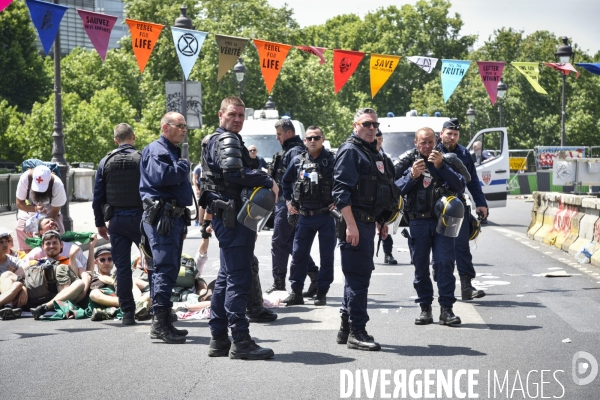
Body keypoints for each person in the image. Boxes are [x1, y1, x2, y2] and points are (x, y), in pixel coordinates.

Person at [198, 96, 276, 360]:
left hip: (226, 216)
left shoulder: (212, 140)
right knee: (239, 280)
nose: (237, 120)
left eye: (241, 116)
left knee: (225, 278)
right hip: (235, 219)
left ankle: (219, 339)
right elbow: (233, 174)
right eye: (232, 115)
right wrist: (266, 179)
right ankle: (240, 340)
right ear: (221, 114)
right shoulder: (227, 139)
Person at [332, 108, 398, 351]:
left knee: (356, 277)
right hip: (355, 222)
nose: (372, 128)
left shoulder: (370, 152)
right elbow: (341, 194)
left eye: (375, 125)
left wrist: (380, 222)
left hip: (368, 222)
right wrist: (351, 225)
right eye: (367, 124)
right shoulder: (351, 151)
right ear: (355, 125)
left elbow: (377, 191)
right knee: (358, 279)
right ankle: (357, 331)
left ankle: (346, 328)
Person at [396, 127, 466, 326]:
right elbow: (394, 189)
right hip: (418, 221)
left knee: (445, 263)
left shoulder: (446, 159)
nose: (427, 147)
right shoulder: (410, 161)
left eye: (430, 142)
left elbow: (461, 185)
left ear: (436, 141)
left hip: (445, 219)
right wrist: (411, 176)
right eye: (423, 143)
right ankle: (425, 308)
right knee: (420, 266)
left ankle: (446, 309)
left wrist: (441, 166)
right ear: (416, 144)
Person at [140, 111, 193, 344]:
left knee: (169, 269)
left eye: (185, 126)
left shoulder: (170, 150)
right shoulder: (157, 150)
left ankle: (164, 319)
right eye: (179, 125)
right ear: (165, 127)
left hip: (172, 218)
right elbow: (163, 177)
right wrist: (183, 167)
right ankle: (160, 324)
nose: (183, 129)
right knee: (164, 268)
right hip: (163, 218)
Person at [92, 123, 144, 326]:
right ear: (134, 137)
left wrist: (99, 223)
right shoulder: (141, 158)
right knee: (152, 265)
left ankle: (128, 313)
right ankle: (160, 311)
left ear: (115, 140)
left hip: (116, 221)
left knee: (122, 268)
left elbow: (98, 197)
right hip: (140, 220)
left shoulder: (106, 161)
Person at [281, 126, 336, 306]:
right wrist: (289, 203)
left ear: (323, 139)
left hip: (325, 215)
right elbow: (286, 182)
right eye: (309, 138)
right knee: (298, 255)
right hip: (304, 215)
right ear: (304, 140)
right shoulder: (298, 161)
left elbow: (343, 182)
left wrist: (338, 200)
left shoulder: (332, 160)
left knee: (326, 255)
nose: (313, 141)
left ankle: (321, 292)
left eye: (316, 137)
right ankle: (296, 291)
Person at [266, 118, 318, 295]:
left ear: (289, 132)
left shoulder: (294, 151)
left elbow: (296, 180)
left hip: (287, 203)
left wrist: (290, 203)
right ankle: (314, 275)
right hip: (287, 203)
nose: (277, 137)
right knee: (291, 244)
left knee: (280, 242)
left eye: (279, 134)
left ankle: (279, 283)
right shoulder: (290, 150)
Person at [438, 119, 487, 300]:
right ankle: (441, 279)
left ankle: (466, 286)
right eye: (449, 133)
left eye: (455, 134)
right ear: (441, 133)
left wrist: (481, 203)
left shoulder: (464, 153)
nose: (452, 137)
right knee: (440, 249)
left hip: (457, 205)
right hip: (436, 206)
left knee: (461, 246)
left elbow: (472, 181)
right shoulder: (432, 149)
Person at [28, 231, 86, 320]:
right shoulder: (35, 262)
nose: (51, 246)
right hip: (41, 295)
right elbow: (18, 276)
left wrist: (72, 256)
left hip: (66, 293)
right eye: (48, 243)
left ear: (61, 245)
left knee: (79, 283)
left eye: (55, 243)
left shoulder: (69, 260)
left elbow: (80, 276)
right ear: (42, 246)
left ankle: (46, 307)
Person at [87, 246, 150, 321]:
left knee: (133, 281)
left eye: (110, 259)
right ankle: (136, 305)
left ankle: (135, 304)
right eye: (102, 260)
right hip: (105, 298)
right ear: (95, 262)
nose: (106, 263)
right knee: (94, 294)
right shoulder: (92, 274)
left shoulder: (119, 273)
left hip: (126, 295)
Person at [15, 165, 67, 253]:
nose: (39, 191)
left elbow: (54, 212)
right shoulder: (25, 178)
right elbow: (19, 203)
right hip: (30, 210)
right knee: (20, 229)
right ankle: (28, 256)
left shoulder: (57, 185)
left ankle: (57, 255)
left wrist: (39, 229)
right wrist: (34, 208)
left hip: (50, 212)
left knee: (58, 232)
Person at [375, 130, 398, 265]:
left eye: (379, 139)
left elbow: (392, 179)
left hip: (381, 199)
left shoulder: (386, 158)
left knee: (383, 228)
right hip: (364, 200)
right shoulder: (362, 155)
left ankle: (388, 254)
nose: (377, 141)